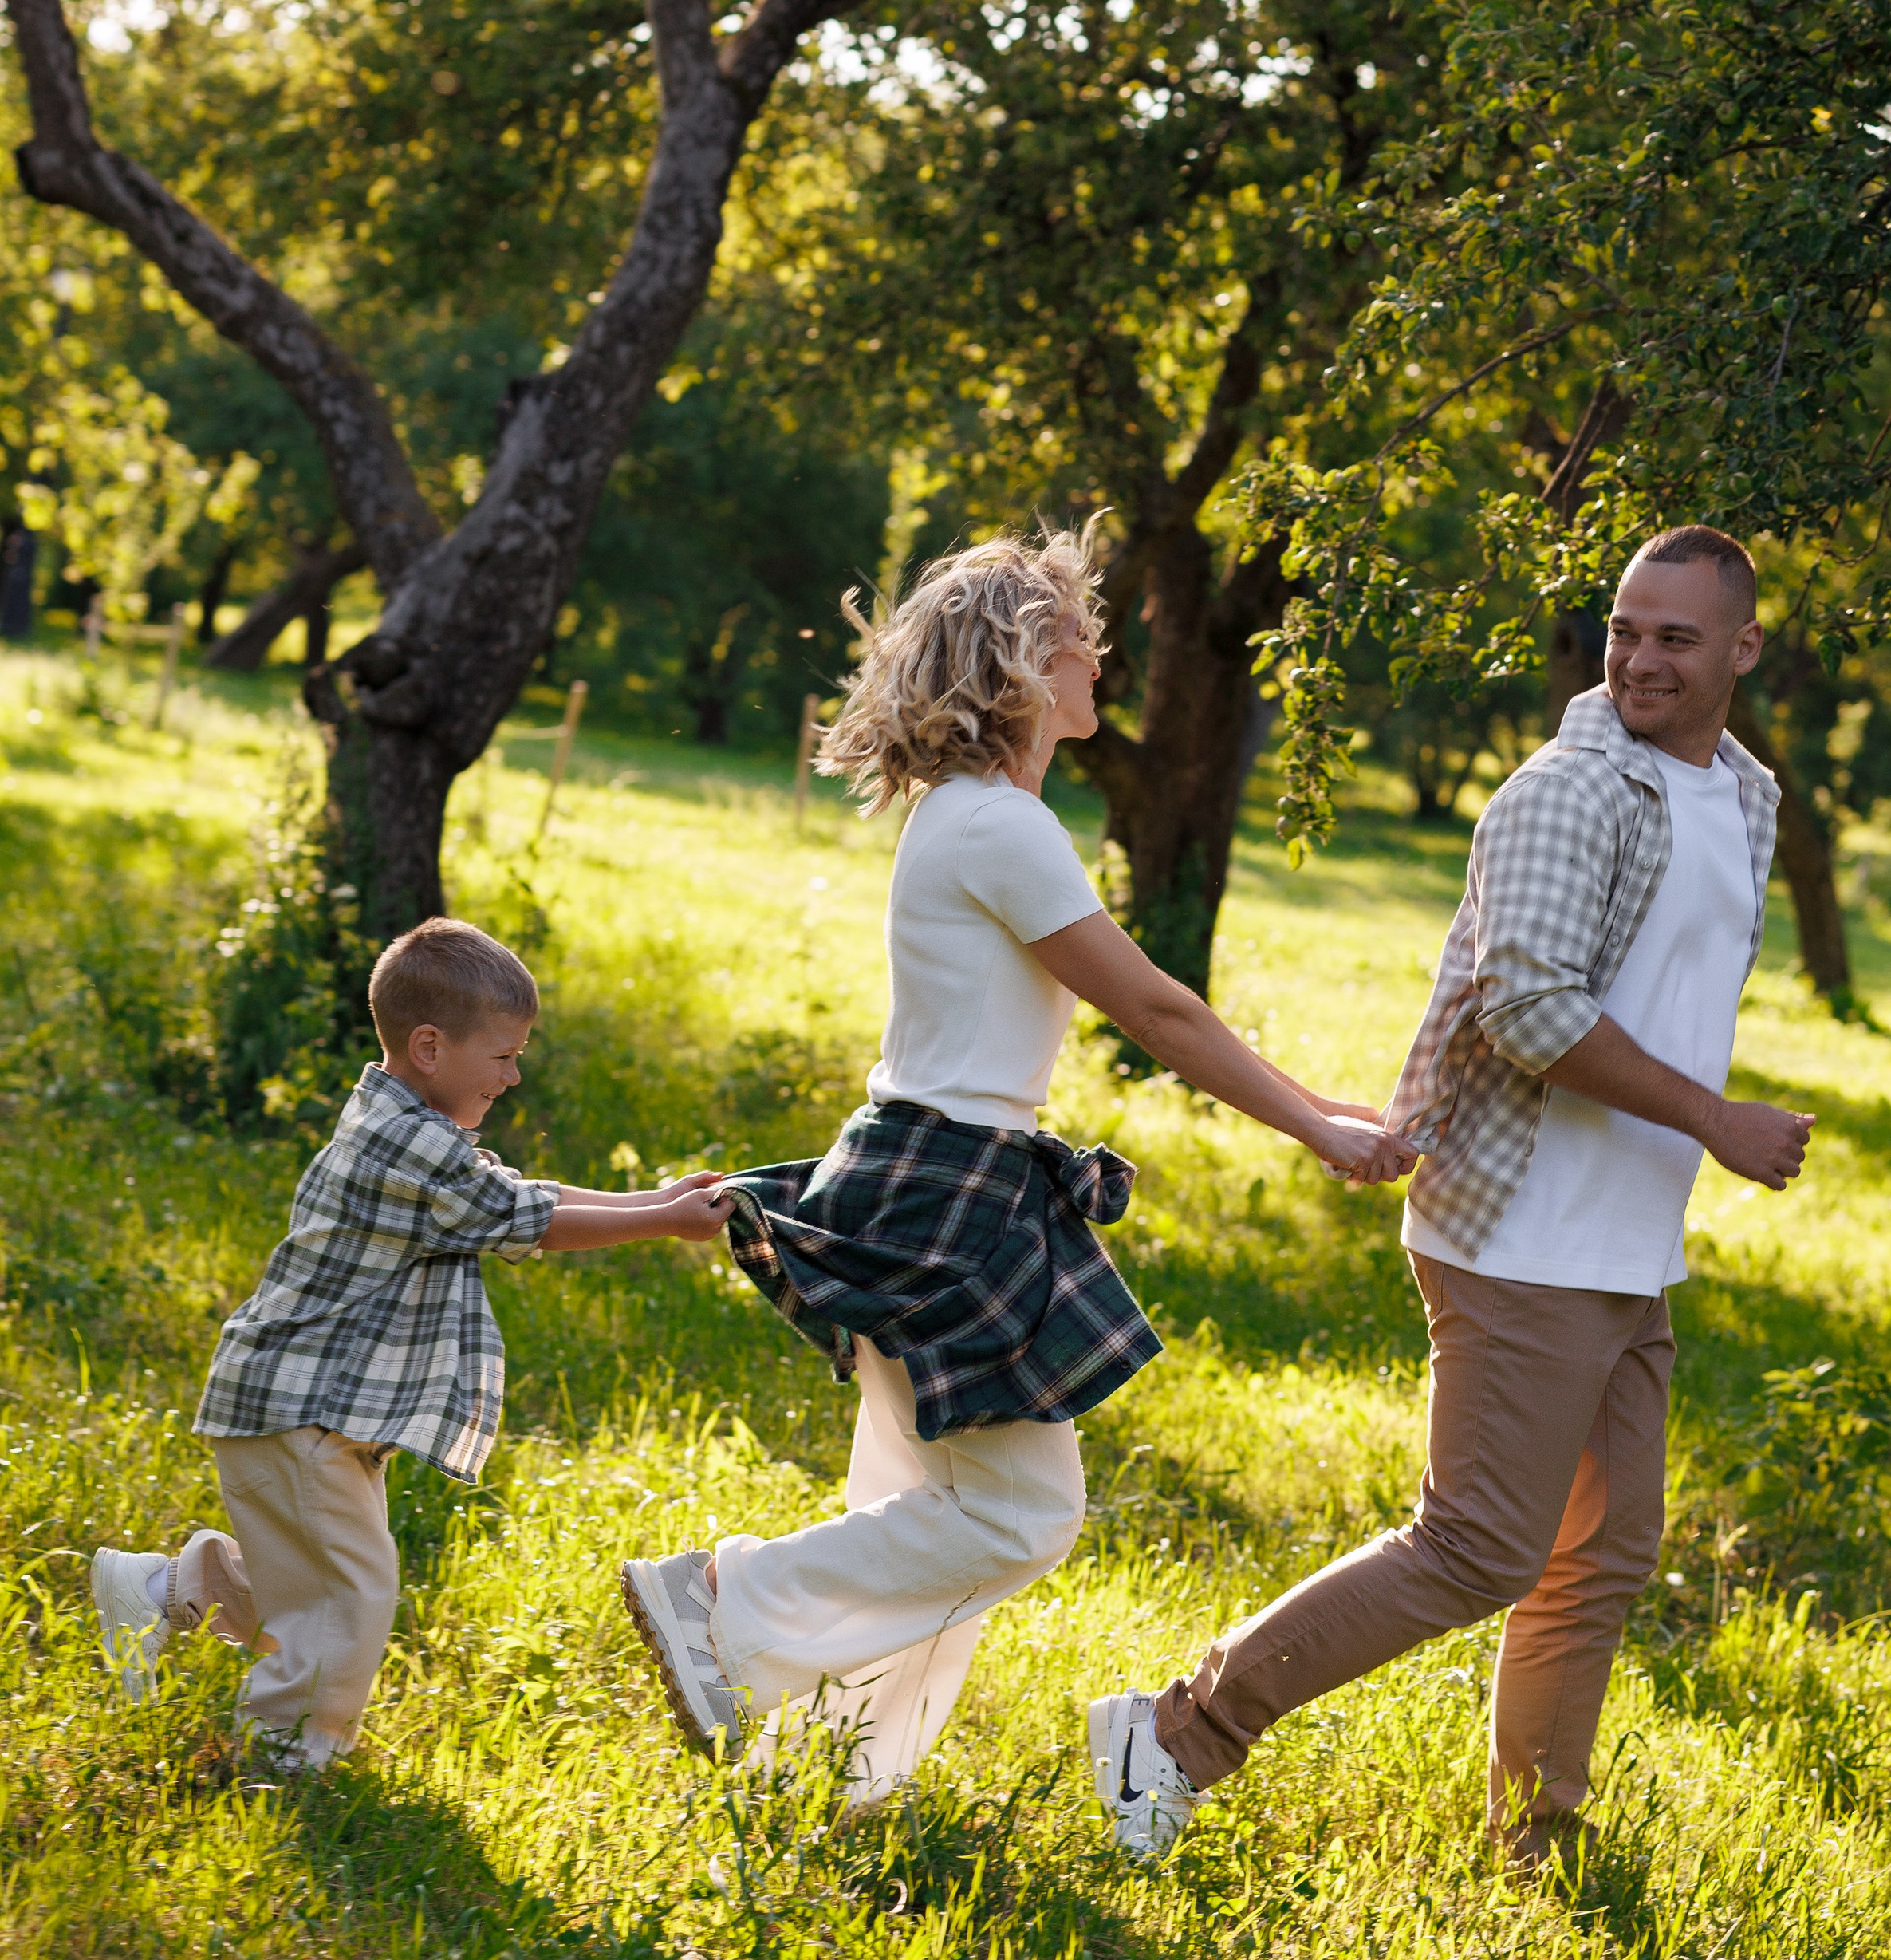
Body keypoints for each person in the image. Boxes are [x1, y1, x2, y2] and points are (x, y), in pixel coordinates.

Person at [620, 530, 1412, 1807]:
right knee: (1018, 1516)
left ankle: (830, 1773)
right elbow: (1160, 1015)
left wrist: (1329, 1107)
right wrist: (1317, 1131)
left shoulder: (977, 819)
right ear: (1025, 665)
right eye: (1078, 637)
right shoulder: (1001, 828)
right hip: (953, 1186)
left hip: (934, 1169)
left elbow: (1161, 1016)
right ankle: (718, 1602)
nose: (1101, 654)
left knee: (920, 1497)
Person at [1089, 523, 1817, 1862]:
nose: (1640, 658)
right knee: (1479, 1548)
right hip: (1524, 1227)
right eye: (1624, 627)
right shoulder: (1569, 791)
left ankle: (1536, 1839)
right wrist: (1715, 1121)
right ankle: (1177, 1732)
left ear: (1743, 649)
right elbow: (1532, 1011)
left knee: (1597, 1562)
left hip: (1626, 1244)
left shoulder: (1745, 797)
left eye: (1676, 636)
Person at [91, 916, 731, 1769]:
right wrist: (661, 1221)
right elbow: (520, 1221)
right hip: (299, 1410)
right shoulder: (407, 1142)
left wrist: (647, 1199)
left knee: (315, 1579)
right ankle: (286, 1749)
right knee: (353, 1590)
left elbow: (519, 1193)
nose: (512, 1076)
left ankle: (166, 1590)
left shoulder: (409, 1125)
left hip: (305, 1408)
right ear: (429, 1047)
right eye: (504, 1056)